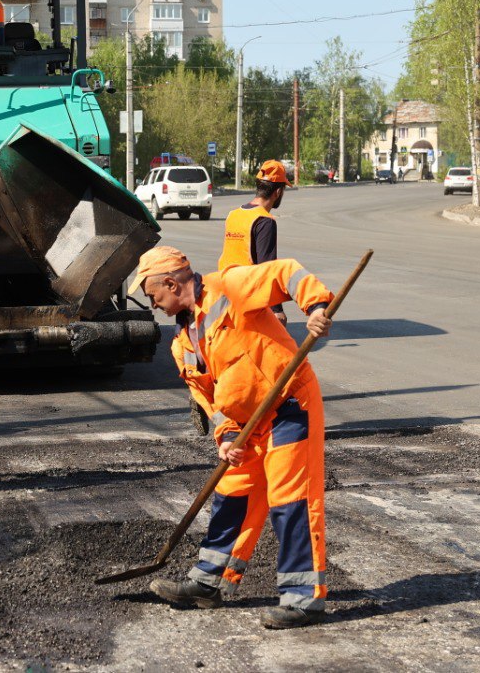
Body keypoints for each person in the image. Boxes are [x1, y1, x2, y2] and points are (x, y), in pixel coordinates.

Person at [131, 245, 334, 629]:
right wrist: (225, 434)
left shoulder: (231, 286)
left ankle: (304, 600)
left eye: (153, 295)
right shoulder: (182, 344)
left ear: (172, 284)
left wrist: (317, 308)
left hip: (290, 404)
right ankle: (209, 582)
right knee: (231, 493)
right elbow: (208, 397)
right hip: (246, 426)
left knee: (290, 500)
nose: (153, 305)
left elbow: (286, 273)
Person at [219, 160, 290, 273]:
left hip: (225, 286)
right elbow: (266, 271)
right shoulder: (265, 221)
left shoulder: (233, 215)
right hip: (248, 287)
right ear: (278, 191)